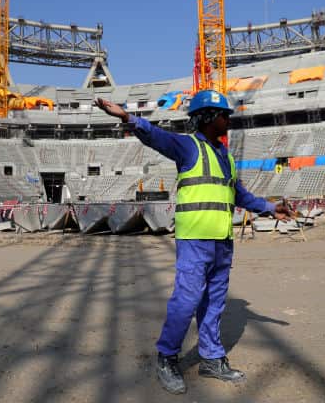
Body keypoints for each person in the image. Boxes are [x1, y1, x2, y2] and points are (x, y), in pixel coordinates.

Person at [95, 90, 292, 395]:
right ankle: (167, 357)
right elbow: (156, 137)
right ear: (210, 117)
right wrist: (127, 118)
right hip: (195, 239)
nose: (229, 119)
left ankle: (211, 359)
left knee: (214, 303)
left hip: (222, 242)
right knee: (186, 301)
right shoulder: (188, 147)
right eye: (225, 115)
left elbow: (240, 196)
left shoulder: (226, 156)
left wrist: (269, 207)